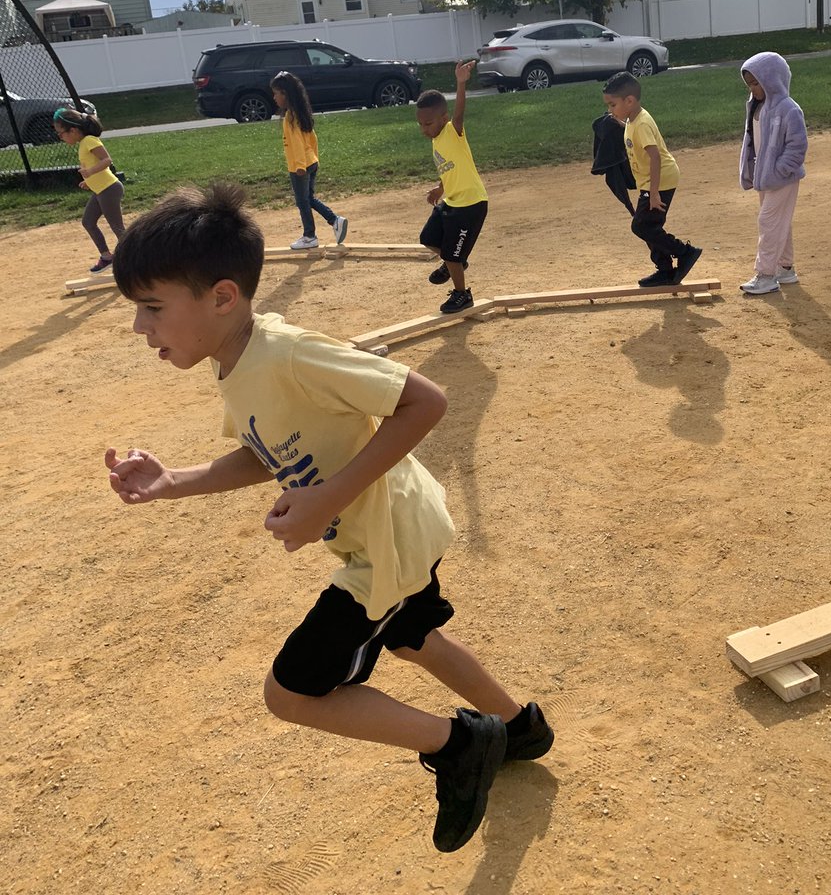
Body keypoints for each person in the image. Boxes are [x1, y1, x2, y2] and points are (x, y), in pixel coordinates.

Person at [105, 182, 552, 854]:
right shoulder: (237, 363)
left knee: (292, 692)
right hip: (388, 528)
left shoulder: (288, 352)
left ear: (222, 297)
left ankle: (461, 742)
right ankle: (521, 728)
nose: (140, 328)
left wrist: (327, 498)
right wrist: (174, 482)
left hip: (384, 542)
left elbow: (425, 402)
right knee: (410, 633)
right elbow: (262, 454)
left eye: (151, 309)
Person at [602, 72, 702, 287]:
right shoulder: (631, 118)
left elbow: (655, 157)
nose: (610, 109)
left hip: (660, 181)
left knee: (641, 226)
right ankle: (665, 270)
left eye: (612, 104)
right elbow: (633, 134)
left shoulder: (642, 124)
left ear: (629, 101)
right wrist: (618, 125)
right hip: (651, 182)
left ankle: (685, 252)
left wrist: (654, 193)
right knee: (649, 226)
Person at [416, 60, 489, 313]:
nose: (424, 129)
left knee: (453, 254)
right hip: (452, 201)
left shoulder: (452, 130)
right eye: (420, 124)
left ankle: (462, 294)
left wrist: (460, 83)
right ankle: (452, 263)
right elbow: (450, 169)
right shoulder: (436, 140)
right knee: (428, 238)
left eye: (428, 124)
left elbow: (459, 112)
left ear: (443, 119)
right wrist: (440, 189)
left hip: (470, 205)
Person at [737, 52, 808, 296]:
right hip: (764, 177)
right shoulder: (756, 107)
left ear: (773, 79)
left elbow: (798, 146)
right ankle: (785, 269)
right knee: (780, 223)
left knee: (768, 222)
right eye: (750, 84)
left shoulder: (789, 109)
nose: (754, 89)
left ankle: (765, 275)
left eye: (757, 83)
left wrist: (780, 169)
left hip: (782, 179)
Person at [270, 70, 348, 250]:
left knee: (302, 201)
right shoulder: (301, 112)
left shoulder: (290, 117)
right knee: (308, 198)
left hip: (301, 166)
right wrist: (314, 159)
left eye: (276, 93)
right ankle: (335, 220)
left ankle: (309, 236)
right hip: (310, 161)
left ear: (285, 94)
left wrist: (299, 166)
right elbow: (313, 138)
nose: (274, 98)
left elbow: (296, 143)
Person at [53, 106, 125, 272]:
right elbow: (94, 163)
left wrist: (90, 172)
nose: (60, 137)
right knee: (88, 222)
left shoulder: (89, 140)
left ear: (73, 130)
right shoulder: (83, 143)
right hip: (101, 189)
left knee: (117, 227)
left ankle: (136, 260)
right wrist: (89, 180)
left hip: (109, 188)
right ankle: (107, 257)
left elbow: (107, 160)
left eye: (61, 133)